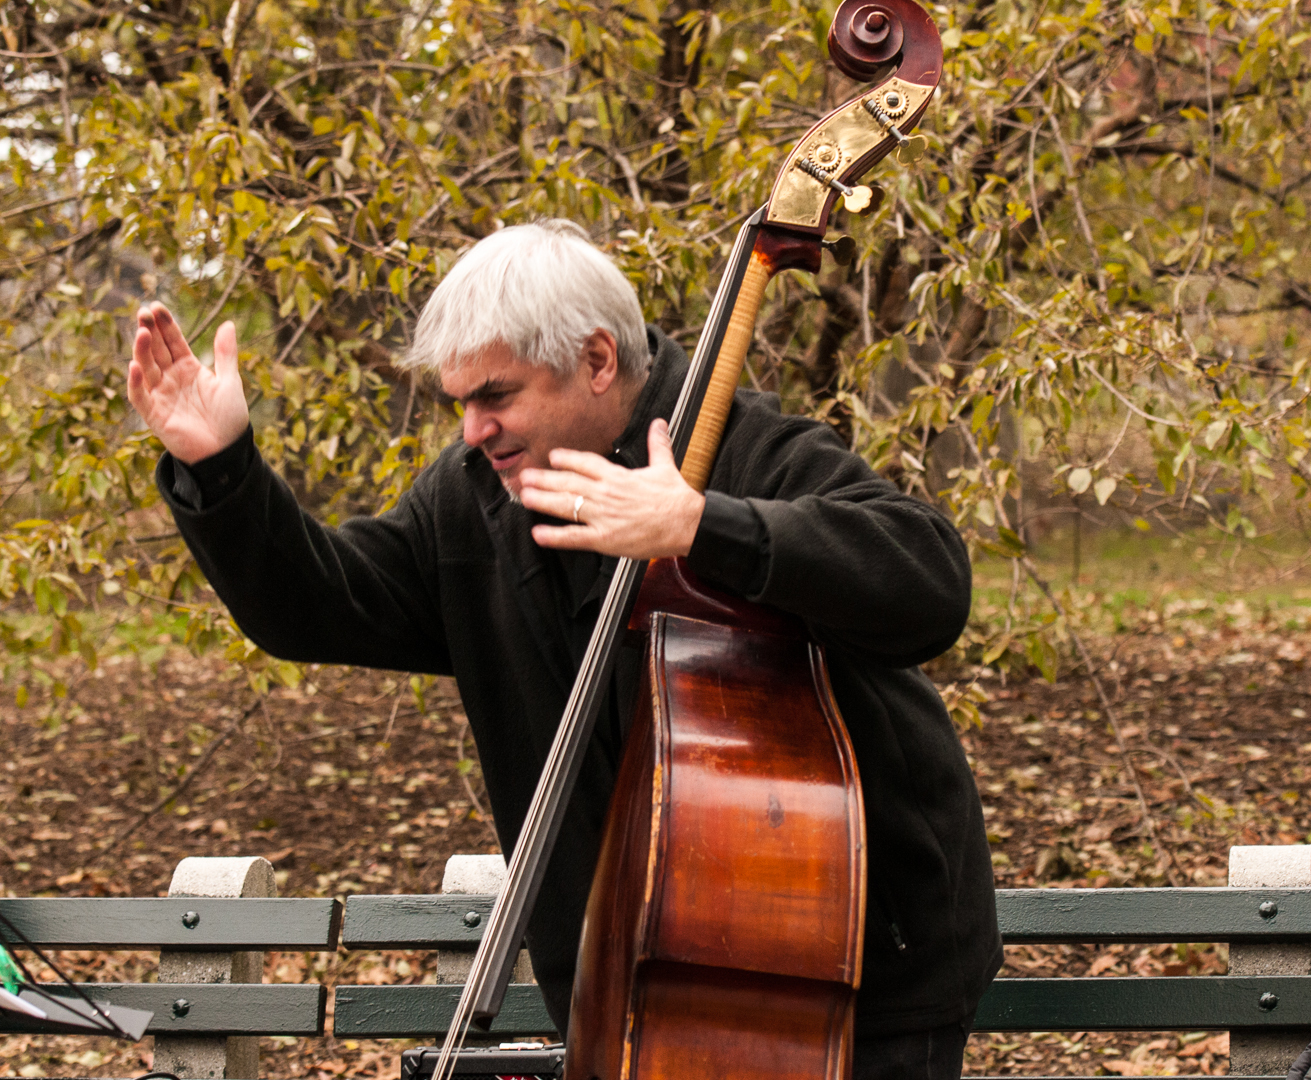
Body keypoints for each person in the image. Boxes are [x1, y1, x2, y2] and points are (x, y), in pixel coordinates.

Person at [127, 219, 1002, 1080]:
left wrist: (702, 526)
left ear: (595, 361)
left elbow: (926, 578)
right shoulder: (473, 501)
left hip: (859, 986)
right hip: (619, 989)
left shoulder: (741, 452)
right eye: (459, 403)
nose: (472, 430)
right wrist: (222, 470)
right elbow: (317, 608)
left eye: (496, 397)